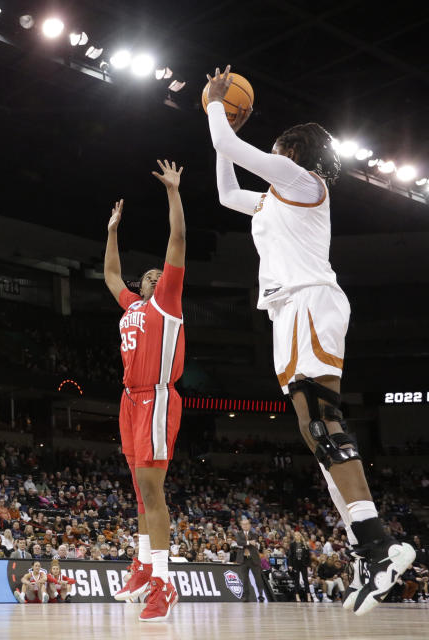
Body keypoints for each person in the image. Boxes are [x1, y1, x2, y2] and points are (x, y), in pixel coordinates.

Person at [205, 65, 415, 616]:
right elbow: (227, 192)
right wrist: (224, 129)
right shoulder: (273, 198)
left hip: (309, 300)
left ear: (291, 153)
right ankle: (370, 548)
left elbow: (226, 140)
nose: (269, 157)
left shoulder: (304, 183)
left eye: (274, 150)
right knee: (313, 431)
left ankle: (379, 547)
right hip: (289, 309)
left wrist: (215, 106)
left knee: (323, 422)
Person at [104, 161, 187, 622]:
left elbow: (177, 241)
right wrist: (113, 231)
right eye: (150, 274)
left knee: (152, 491)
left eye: (162, 273)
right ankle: (142, 562)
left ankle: (163, 581)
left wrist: (173, 192)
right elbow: (112, 276)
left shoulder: (168, 300)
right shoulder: (133, 303)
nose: (157, 275)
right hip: (130, 399)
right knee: (140, 489)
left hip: (157, 395)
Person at [233, 518, 267, 602]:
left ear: (249, 525)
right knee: (244, 579)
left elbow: (252, 542)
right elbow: (239, 542)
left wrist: (245, 543)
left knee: (258, 578)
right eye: (243, 524)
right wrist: (248, 542)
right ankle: (246, 597)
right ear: (241, 525)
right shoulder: (238, 534)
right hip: (243, 559)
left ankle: (261, 595)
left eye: (246, 524)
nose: (245, 526)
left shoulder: (254, 533)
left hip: (253, 559)